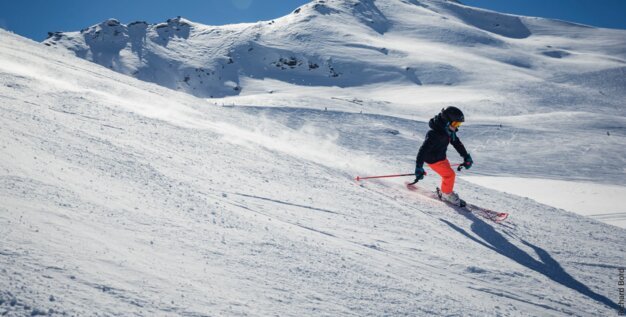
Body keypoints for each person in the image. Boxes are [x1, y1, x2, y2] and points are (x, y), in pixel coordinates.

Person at [414, 106, 473, 206]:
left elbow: (457, 143)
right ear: (446, 121)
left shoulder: (448, 131)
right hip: (434, 160)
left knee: (448, 175)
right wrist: (419, 167)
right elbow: (422, 151)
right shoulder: (434, 134)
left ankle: (445, 191)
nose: (457, 127)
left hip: (442, 157)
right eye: (455, 123)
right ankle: (446, 194)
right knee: (449, 175)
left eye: (458, 124)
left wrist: (466, 156)